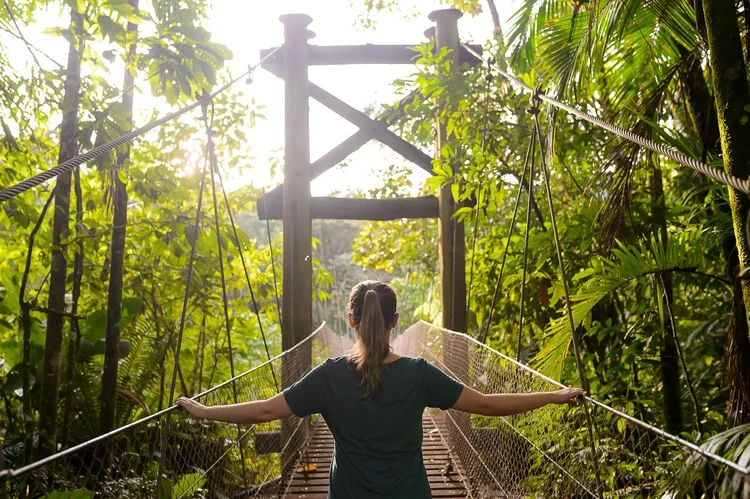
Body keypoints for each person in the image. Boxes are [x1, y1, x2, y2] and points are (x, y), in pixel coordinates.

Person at [177, 280, 584, 498]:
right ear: (396, 322)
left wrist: (206, 411)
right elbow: (487, 406)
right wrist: (553, 394)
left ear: (350, 321)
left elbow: (266, 411)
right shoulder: (419, 373)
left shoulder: (329, 375)